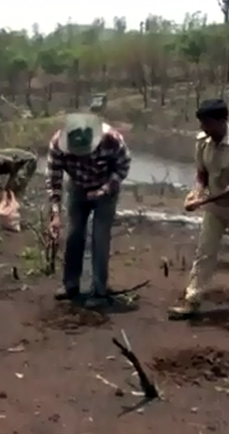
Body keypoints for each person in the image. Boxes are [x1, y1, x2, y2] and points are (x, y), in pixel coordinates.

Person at [168, 99, 229, 320]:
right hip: (214, 207)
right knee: (205, 253)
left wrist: (201, 201)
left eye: (208, 123)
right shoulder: (203, 141)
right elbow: (202, 173)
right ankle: (192, 300)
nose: (204, 128)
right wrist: (196, 192)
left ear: (222, 120)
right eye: (202, 124)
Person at [47, 113, 131, 309]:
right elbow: (54, 179)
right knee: (74, 234)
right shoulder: (57, 144)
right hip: (77, 187)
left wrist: (104, 190)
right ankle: (70, 285)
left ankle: (99, 291)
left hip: (105, 187)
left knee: (100, 237)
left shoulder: (112, 140)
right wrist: (55, 215)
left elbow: (123, 166)